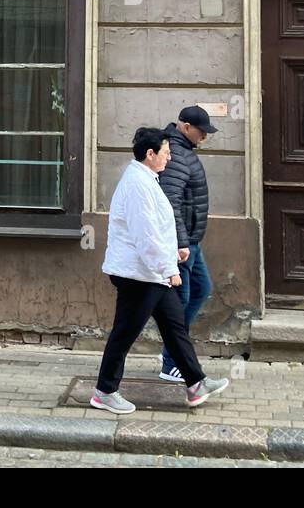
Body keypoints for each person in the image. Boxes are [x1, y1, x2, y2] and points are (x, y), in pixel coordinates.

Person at [90, 127, 229, 415]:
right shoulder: (138, 185)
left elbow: (157, 229)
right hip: (138, 275)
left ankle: (195, 384)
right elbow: (146, 235)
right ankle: (104, 391)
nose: (169, 157)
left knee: (175, 327)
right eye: (165, 152)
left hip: (149, 272)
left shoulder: (147, 179)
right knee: (125, 333)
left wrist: (174, 251)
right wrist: (169, 269)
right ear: (150, 154)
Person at [157, 105, 217, 383]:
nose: (203, 137)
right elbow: (172, 203)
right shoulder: (176, 155)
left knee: (201, 289)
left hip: (191, 240)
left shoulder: (182, 152)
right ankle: (172, 363)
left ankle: (170, 351)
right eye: (201, 131)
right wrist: (180, 243)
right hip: (182, 245)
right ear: (185, 126)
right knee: (179, 304)